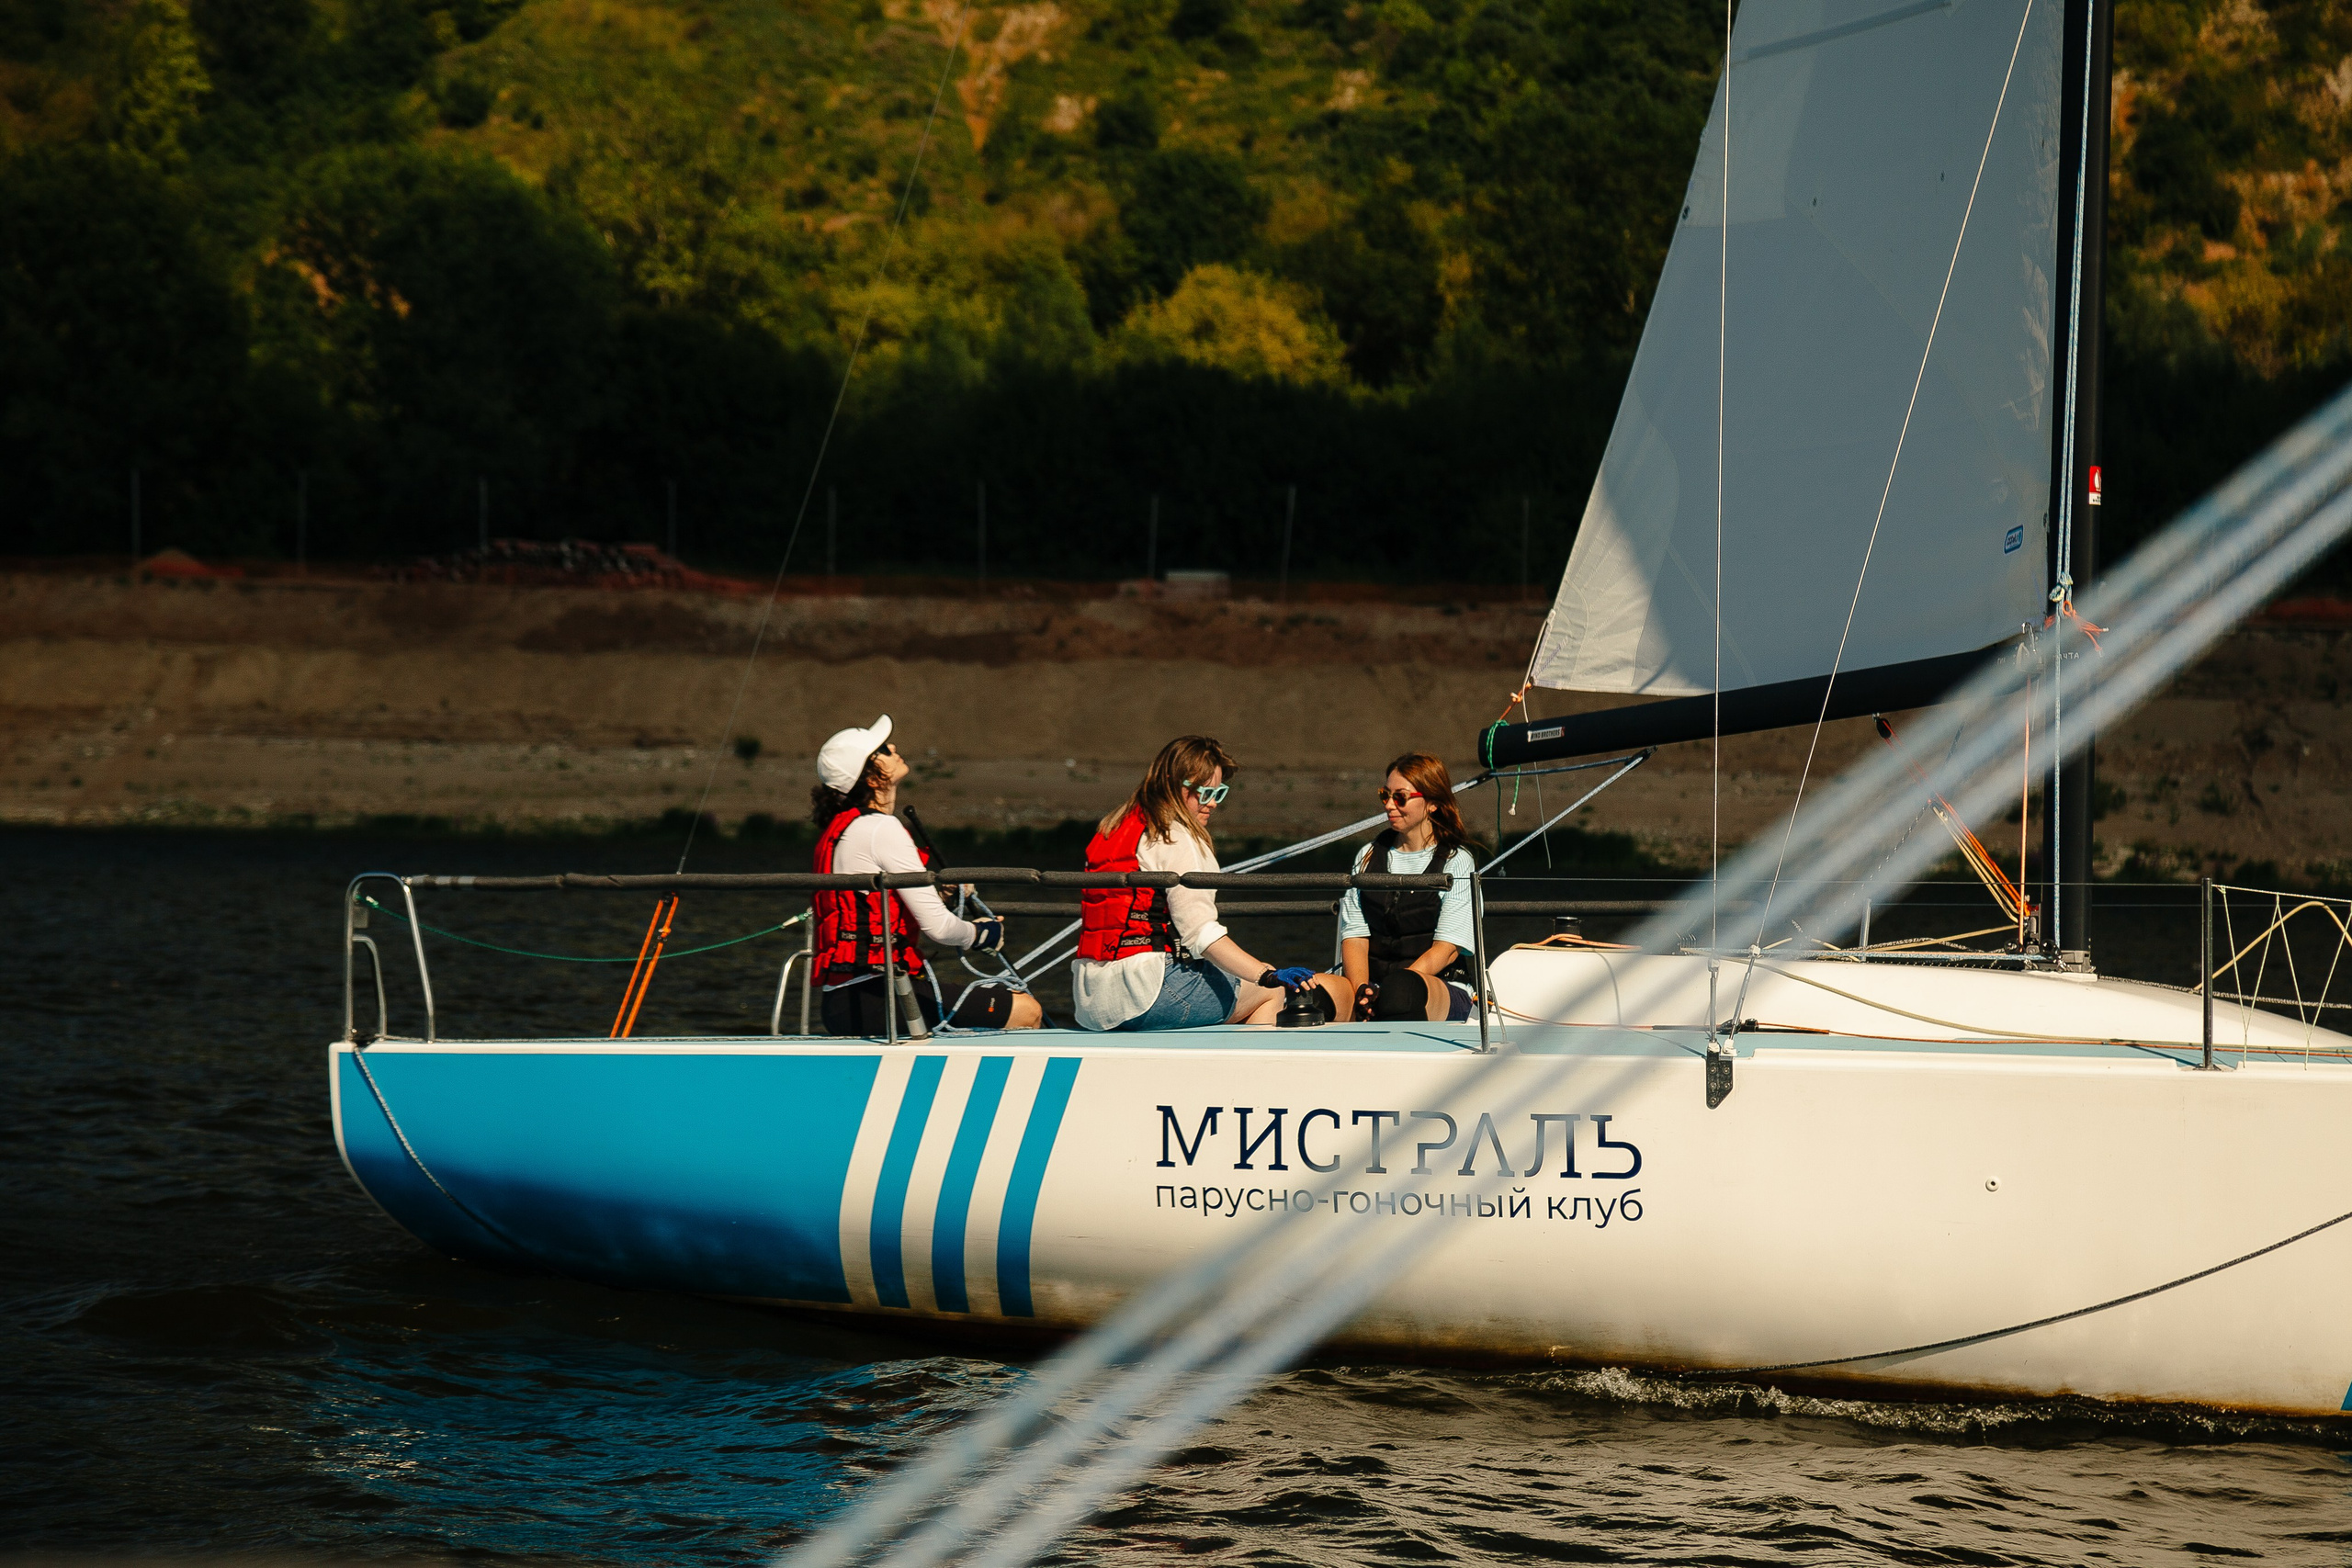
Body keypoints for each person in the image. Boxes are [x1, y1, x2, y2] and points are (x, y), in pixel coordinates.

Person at [809, 715, 1043, 1036]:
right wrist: (981, 934)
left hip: (845, 1000)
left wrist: (941, 896)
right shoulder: (880, 828)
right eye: (883, 749)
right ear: (872, 779)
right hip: (877, 997)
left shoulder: (845, 829)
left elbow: (878, 904)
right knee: (1027, 1011)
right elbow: (940, 929)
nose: (893, 747)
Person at [1070, 736, 1320, 1032]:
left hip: (1090, 1000)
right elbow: (1202, 935)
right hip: (1145, 994)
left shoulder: (1112, 829)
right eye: (1205, 793)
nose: (1212, 803)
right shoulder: (1176, 837)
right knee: (1269, 993)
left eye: (1219, 792)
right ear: (1174, 785)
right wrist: (1267, 975)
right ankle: (1244, 1062)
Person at [1339, 751, 1483, 1023]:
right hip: (1375, 986)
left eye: (1400, 797)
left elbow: (1447, 949)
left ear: (1432, 804)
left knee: (1400, 993)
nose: (1389, 805)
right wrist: (1362, 992)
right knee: (1314, 993)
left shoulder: (1457, 861)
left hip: (1439, 986)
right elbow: (1355, 936)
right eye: (1385, 795)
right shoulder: (1366, 856)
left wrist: (1388, 991)